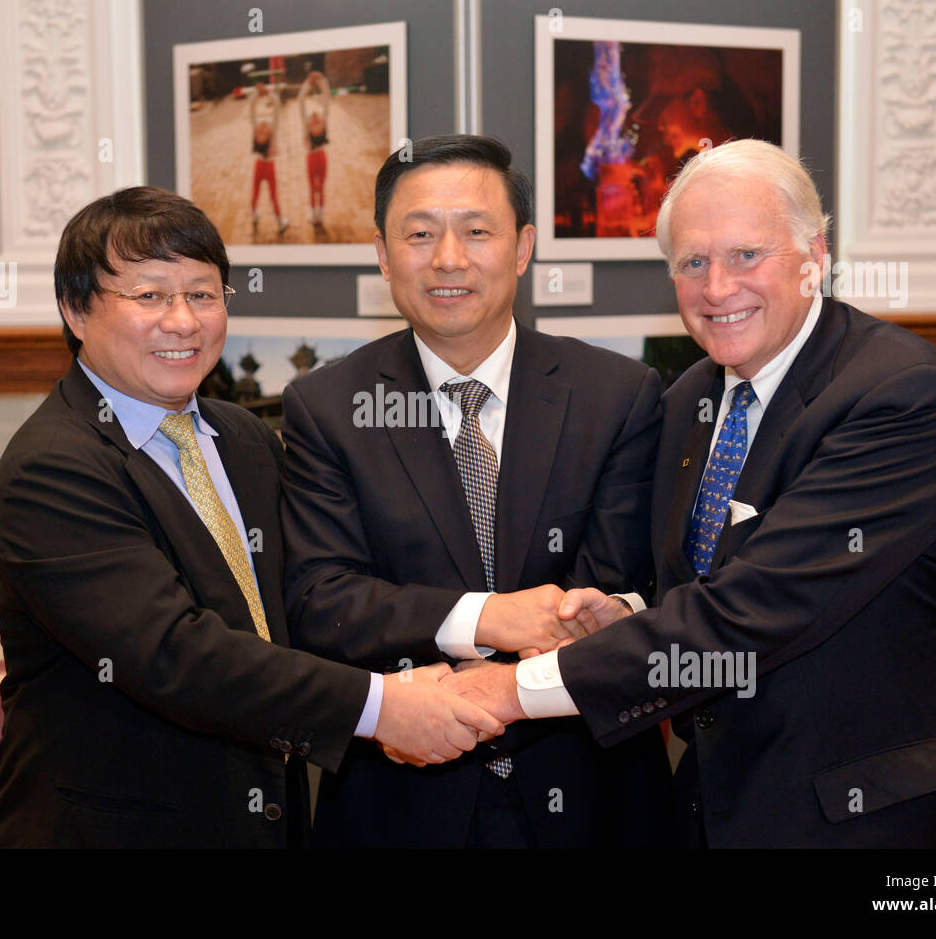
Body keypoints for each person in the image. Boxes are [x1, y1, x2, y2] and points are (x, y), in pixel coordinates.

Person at [442, 139, 936, 848]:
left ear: (814, 253)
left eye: (746, 255)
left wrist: (507, 690)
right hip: (725, 807)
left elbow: (754, 609)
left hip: (884, 822)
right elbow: (700, 586)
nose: (717, 288)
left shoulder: (898, 393)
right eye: (693, 262)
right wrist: (626, 614)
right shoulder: (692, 395)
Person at [0, 187, 501, 848]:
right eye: (149, 297)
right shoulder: (52, 470)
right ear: (76, 310)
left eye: (203, 294)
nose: (183, 321)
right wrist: (381, 707)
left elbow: (303, 603)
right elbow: (174, 653)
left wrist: (450, 646)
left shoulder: (244, 438)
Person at [281, 135, 675, 848]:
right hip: (399, 800)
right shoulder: (326, 406)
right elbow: (323, 599)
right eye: (420, 234)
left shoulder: (617, 394)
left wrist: (481, 689)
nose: (448, 259)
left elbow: (608, 594)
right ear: (382, 253)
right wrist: (490, 616)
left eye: (476, 231)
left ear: (523, 248)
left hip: (591, 793)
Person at [249, 82, 288, 236]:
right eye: (261, 125)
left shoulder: (261, 132)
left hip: (260, 165)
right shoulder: (271, 133)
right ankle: (278, 222)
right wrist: (267, 93)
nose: (263, 123)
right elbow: (276, 109)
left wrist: (259, 95)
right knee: (270, 195)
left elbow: (254, 109)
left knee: (257, 193)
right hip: (268, 166)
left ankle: (256, 216)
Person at [297, 69, 331, 227]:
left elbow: (326, 98)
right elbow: (301, 101)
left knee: (321, 187)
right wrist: (308, 84)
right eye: (311, 117)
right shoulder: (307, 127)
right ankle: (313, 212)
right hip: (311, 158)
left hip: (321, 157)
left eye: (317, 115)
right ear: (308, 124)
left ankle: (321, 214)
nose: (314, 116)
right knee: (312, 187)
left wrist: (321, 80)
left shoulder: (324, 123)